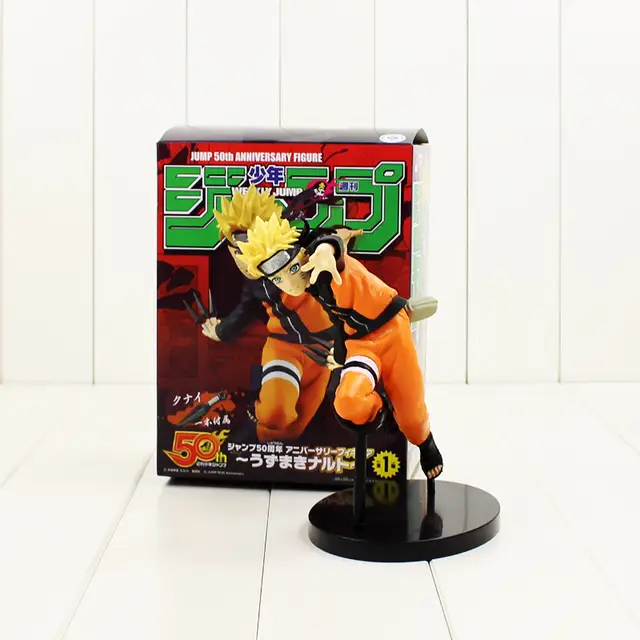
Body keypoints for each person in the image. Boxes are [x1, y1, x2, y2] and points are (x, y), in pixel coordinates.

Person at [235, 212, 443, 479]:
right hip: (360, 343)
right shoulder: (304, 288)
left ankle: (426, 444)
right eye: (278, 279)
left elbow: (330, 243)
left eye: (293, 269)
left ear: (304, 255)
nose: (289, 283)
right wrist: (342, 351)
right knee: (347, 402)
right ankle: (382, 407)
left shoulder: (323, 263)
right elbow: (338, 316)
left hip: (393, 330)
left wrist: (327, 249)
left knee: (412, 417)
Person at [186, 184, 361, 444]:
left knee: (292, 430)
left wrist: (332, 245)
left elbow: (335, 239)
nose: (246, 250)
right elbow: (245, 309)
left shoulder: (302, 253)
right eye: (239, 244)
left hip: (325, 352)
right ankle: (255, 427)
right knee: (275, 414)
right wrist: (221, 331)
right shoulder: (257, 281)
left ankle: (255, 442)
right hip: (285, 347)